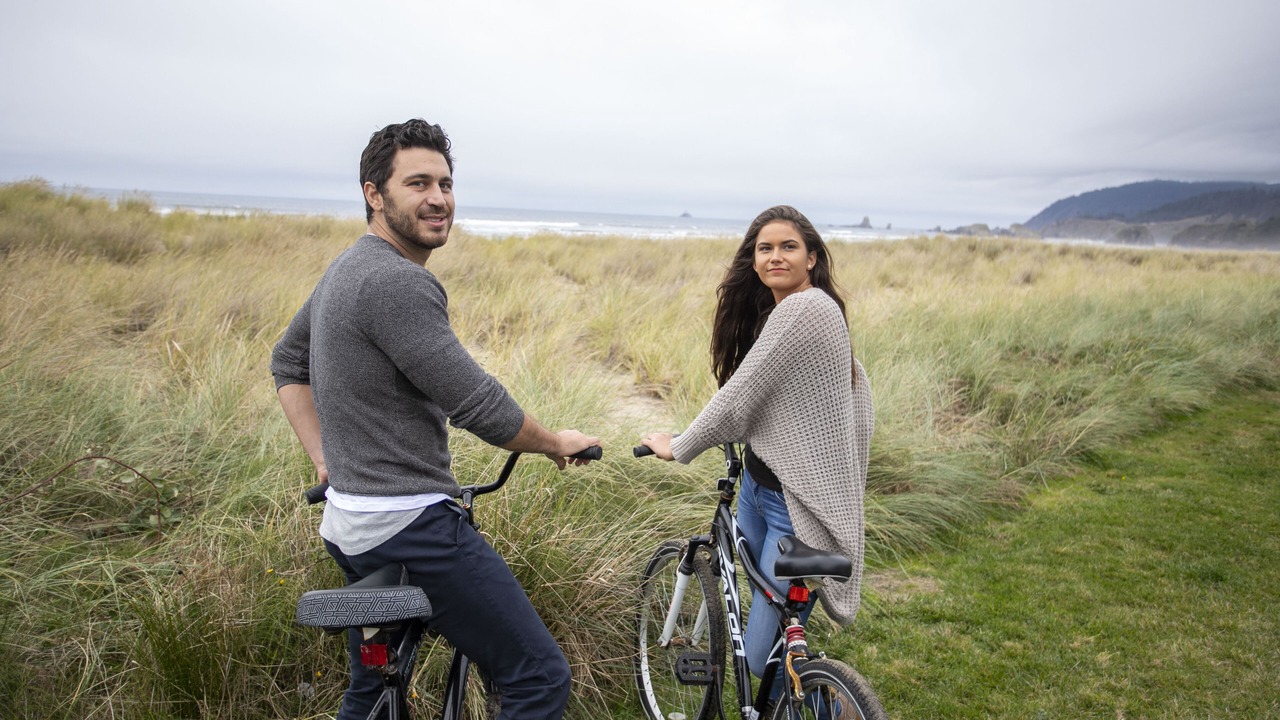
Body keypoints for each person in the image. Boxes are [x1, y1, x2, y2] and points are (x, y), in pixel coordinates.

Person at [271, 118, 597, 720]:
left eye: (445, 183)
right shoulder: (397, 283)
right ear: (375, 193)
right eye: (417, 183)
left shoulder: (346, 268)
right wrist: (554, 442)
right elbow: (478, 405)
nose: (438, 199)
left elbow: (286, 362)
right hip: (410, 526)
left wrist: (326, 460)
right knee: (538, 677)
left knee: (372, 689)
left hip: (350, 523)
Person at [640, 204, 874, 685]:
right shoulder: (800, 309)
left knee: (758, 654)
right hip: (759, 487)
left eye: (789, 246)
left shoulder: (805, 308)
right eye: (764, 248)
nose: (775, 256)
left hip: (791, 503)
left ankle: (817, 694)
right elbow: (840, 395)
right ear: (754, 259)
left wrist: (680, 445)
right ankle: (802, 692)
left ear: (812, 258)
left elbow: (739, 397)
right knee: (770, 620)